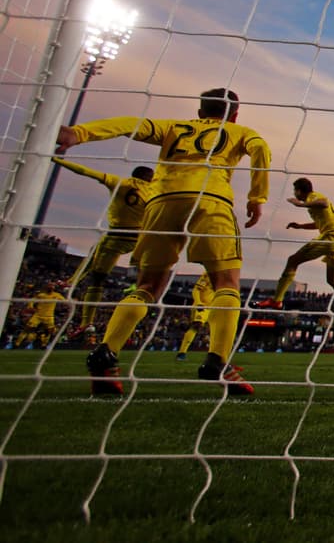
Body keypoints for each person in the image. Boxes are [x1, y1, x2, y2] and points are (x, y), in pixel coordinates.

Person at [56, 88, 271, 396]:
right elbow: (261, 148)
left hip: (161, 201)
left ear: (199, 112)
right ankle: (217, 361)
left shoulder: (173, 128)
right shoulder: (241, 131)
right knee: (225, 283)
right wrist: (257, 197)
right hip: (210, 199)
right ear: (234, 115)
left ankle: (106, 352)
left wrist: (79, 133)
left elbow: (130, 123)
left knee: (147, 286)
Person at [51, 157, 155, 336]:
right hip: (141, 238)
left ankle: (86, 321)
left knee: (97, 279)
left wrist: (56, 160)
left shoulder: (120, 182)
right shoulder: (155, 190)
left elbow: (85, 171)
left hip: (117, 237)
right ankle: (72, 282)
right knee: (96, 251)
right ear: (149, 177)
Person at [255, 178, 334, 313]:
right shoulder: (313, 203)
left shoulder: (313, 197)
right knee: (333, 280)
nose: (294, 193)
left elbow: (324, 203)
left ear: (298, 191)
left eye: (295, 191)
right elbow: (319, 223)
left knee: (293, 261)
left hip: (330, 238)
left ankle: (277, 300)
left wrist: (299, 204)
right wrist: (300, 226)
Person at [14, 282, 66, 348]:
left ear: (54, 288)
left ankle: (44, 345)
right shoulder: (41, 295)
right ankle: (17, 344)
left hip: (49, 317)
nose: (51, 287)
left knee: (50, 331)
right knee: (27, 329)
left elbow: (64, 301)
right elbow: (32, 300)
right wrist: (31, 307)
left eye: (53, 286)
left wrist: (66, 304)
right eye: (50, 286)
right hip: (38, 315)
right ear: (47, 287)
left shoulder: (57, 295)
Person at [176, 273, 214, 361]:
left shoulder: (223, 276)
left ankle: (216, 356)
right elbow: (196, 290)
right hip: (202, 306)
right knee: (196, 326)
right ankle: (181, 354)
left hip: (211, 308)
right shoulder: (208, 274)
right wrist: (198, 302)